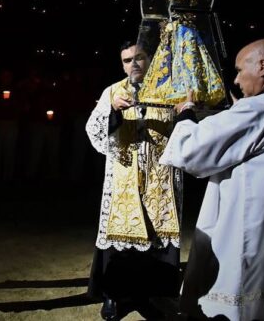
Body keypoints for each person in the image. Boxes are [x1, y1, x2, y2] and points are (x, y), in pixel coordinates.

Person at [160, 38, 264, 321]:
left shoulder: (261, 109)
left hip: (253, 231)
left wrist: (185, 114)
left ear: (262, 66)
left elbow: (192, 149)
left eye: (238, 70)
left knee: (244, 300)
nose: (235, 79)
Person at [86, 40, 182, 320]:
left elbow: (187, 125)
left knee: (156, 234)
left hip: (159, 176)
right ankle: (114, 296)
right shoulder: (113, 91)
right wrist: (113, 111)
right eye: (127, 60)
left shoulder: (170, 89)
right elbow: (94, 131)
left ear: (150, 58)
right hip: (123, 176)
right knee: (120, 236)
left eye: (139, 57)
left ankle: (155, 296)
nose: (134, 64)